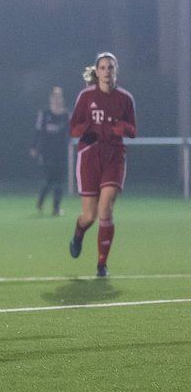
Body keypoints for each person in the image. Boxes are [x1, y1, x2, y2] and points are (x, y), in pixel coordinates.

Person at [68, 52, 136, 277]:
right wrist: (86, 128)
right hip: (89, 156)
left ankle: (101, 264)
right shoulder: (86, 96)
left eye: (111, 67)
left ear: (116, 71)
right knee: (90, 216)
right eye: (103, 67)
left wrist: (123, 128)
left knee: (105, 209)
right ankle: (79, 232)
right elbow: (73, 128)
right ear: (97, 72)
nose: (107, 71)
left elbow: (133, 130)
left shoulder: (125, 98)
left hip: (114, 157)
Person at [30, 86, 69, 216]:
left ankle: (56, 208)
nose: (58, 99)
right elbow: (37, 131)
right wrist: (34, 147)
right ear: (51, 98)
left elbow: (70, 132)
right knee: (48, 180)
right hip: (47, 153)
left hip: (61, 153)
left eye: (60, 96)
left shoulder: (65, 115)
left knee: (59, 182)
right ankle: (40, 201)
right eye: (55, 96)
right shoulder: (45, 114)